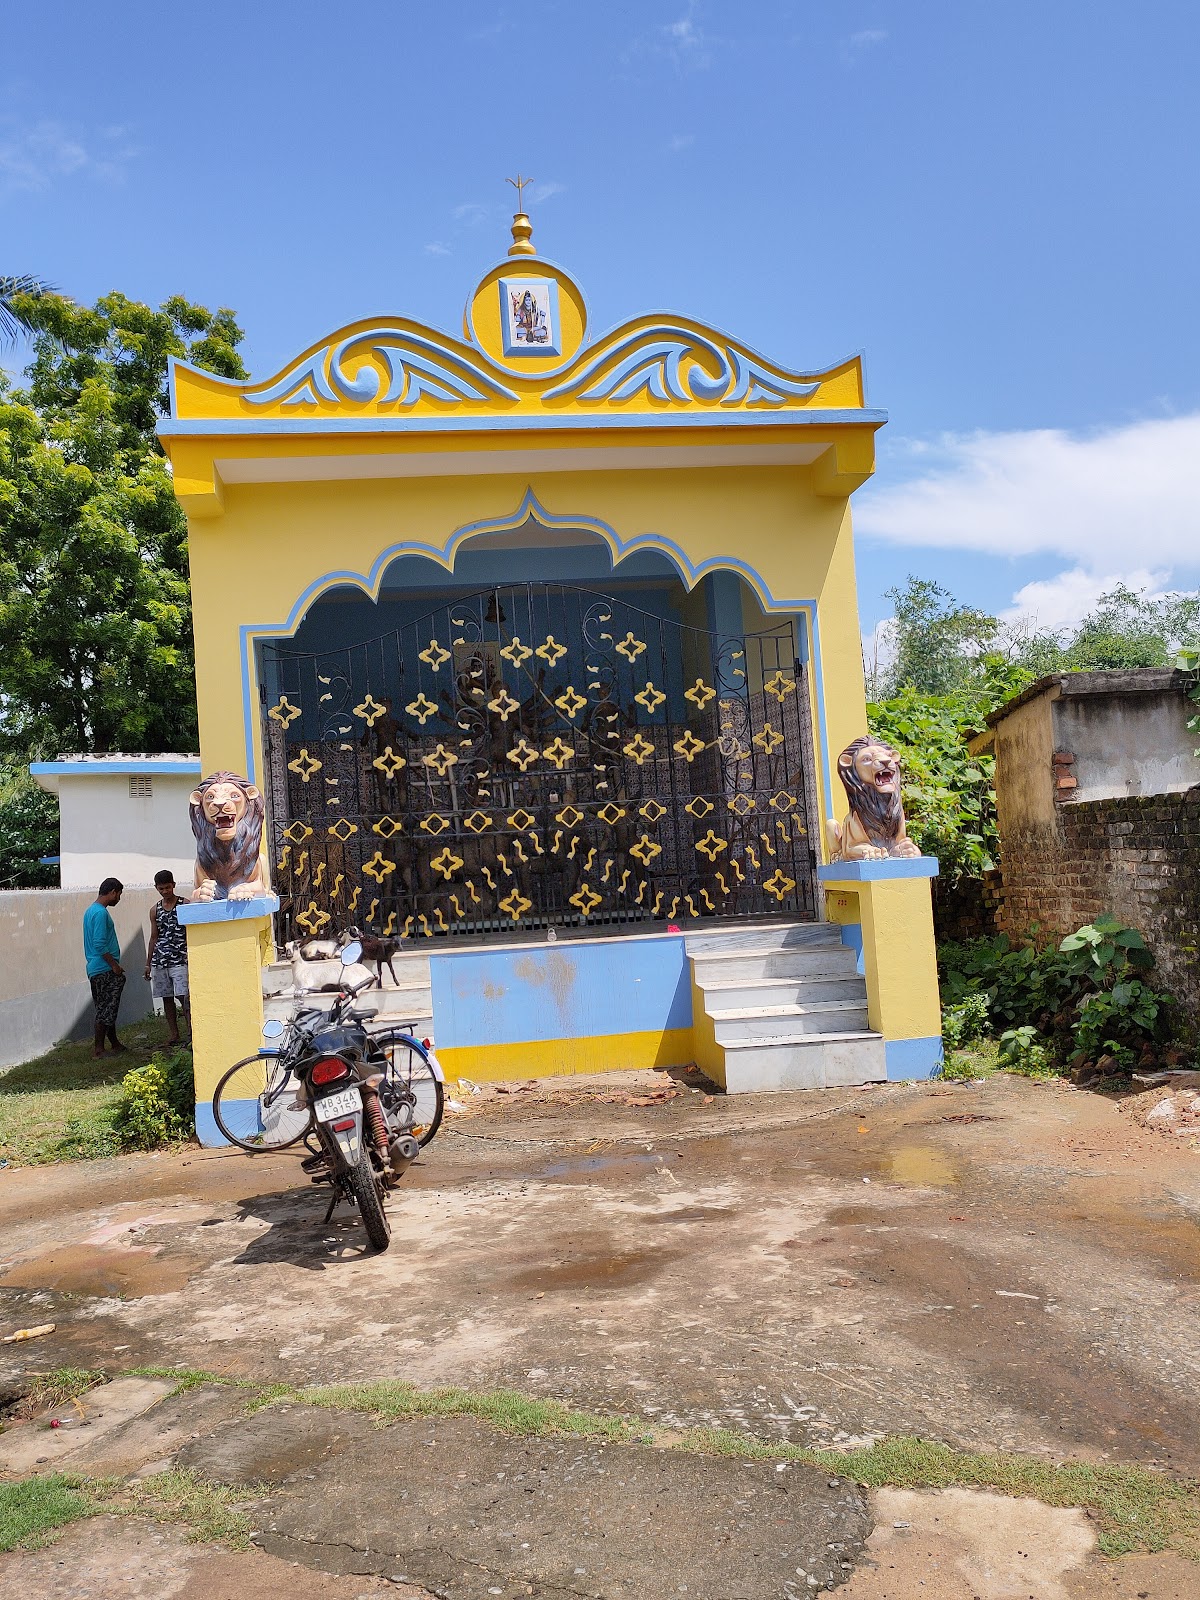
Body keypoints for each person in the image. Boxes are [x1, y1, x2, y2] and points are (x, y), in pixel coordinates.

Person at [144, 869, 190, 1045]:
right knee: (167, 998)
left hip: (180, 959)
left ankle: (191, 1032)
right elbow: (153, 937)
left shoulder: (185, 904)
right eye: (161, 889)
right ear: (157, 888)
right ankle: (174, 1034)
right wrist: (148, 964)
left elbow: (191, 932)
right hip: (160, 961)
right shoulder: (154, 910)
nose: (165, 891)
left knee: (184, 997)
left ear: (174, 885)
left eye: (168, 888)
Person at [83, 877, 127, 1058]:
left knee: (107, 1007)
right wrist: (114, 966)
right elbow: (100, 944)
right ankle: (99, 1050)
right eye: (119, 895)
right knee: (106, 1009)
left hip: (95, 968)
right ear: (113, 892)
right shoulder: (100, 913)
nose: (119, 899)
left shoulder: (90, 911)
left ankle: (114, 1043)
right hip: (104, 968)